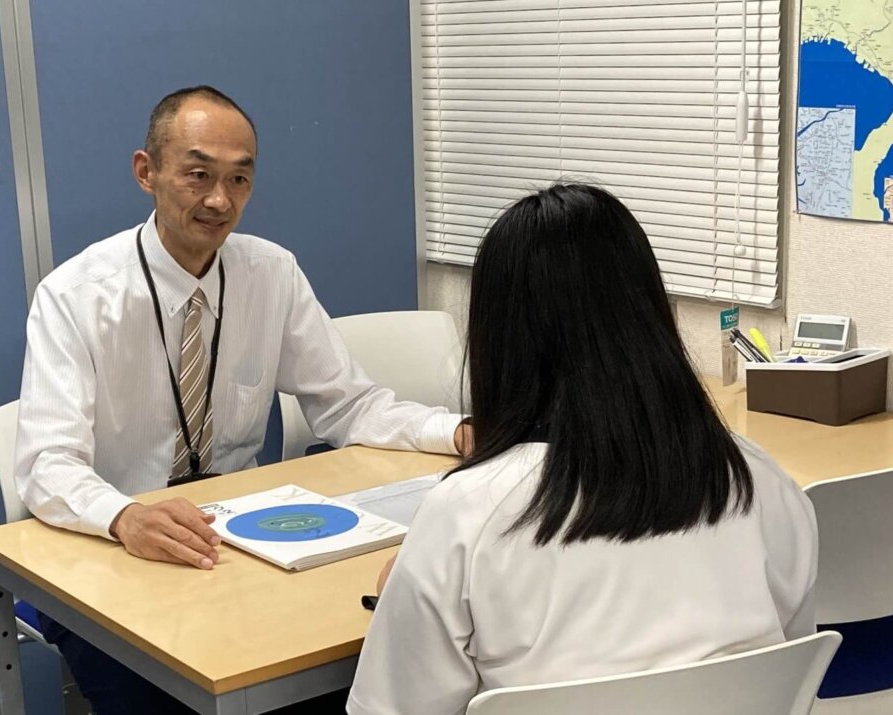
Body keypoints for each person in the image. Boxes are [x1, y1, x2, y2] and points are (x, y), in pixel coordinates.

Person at [14, 85, 467, 714]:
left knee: (348, 674)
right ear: (147, 172)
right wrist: (124, 517)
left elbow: (349, 406)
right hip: (117, 551)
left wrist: (458, 432)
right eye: (198, 174)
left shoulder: (270, 273)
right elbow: (47, 463)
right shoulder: (76, 296)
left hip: (240, 548)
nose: (219, 200)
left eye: (239, 179)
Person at [348, 184, 818, 715]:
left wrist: (403, 594)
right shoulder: (755, 478)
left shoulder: (465, 514)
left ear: (498, 339)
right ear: (650, 315)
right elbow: (790, 657)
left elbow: (391, 707)